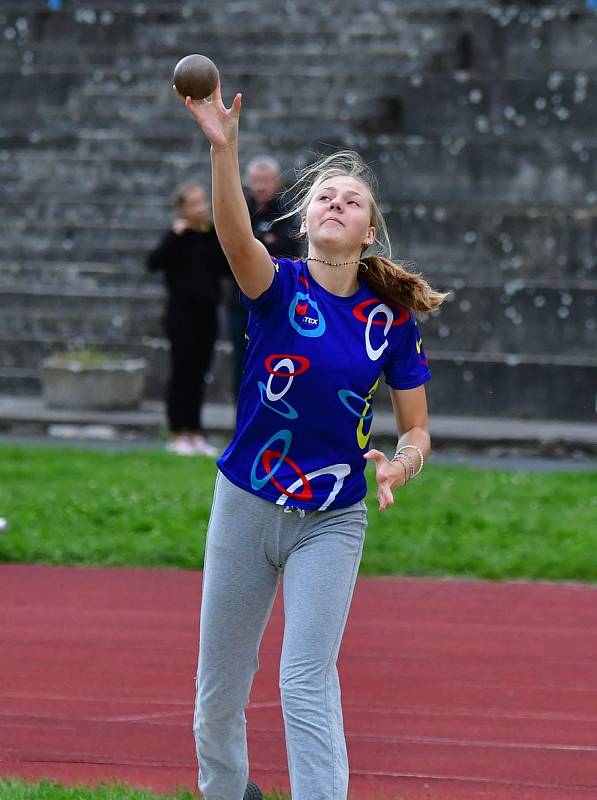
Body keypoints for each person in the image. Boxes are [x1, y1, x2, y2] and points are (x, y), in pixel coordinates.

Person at [173, 79, 447, 800]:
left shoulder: (388, 320)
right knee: (217, 695)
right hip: (246, 502)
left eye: (351, 200)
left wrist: (402, 464)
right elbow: (233, 234)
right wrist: (223, 149)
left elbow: (416, 426)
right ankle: (229, 792)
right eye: (325, 194)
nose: (336, 202)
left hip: (334, 515)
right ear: (303, 218)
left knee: (305, 682)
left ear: (366, 232)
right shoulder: (277, 286)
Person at [147, 182, 229, 456]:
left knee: (198, 374)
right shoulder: (177, 237)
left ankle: (196, 431)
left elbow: (226, 269)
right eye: (193, 203)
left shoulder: (210, 236)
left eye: (202, 201)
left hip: (207, 314)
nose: (201, 207)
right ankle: (177, 431)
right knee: (181, 373)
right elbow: (153, 263)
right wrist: (174, 236)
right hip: (181, 315)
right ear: (182, 209)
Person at [228, 156, 301, 399]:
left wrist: (256, 244)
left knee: (277, 361)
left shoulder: (287, 211)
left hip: (279, 300)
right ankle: (241, 420)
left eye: (265, 181)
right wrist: (265, 242)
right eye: (256, 181)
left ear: (276, 182)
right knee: (241, 361)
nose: (260, 186)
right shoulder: (239, 209)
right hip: (239, 300)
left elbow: (289, 248)